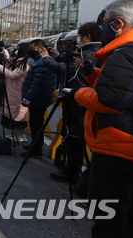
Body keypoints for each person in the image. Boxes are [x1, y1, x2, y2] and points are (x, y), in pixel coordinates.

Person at [74, 0, 133, 237]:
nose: (101, 29)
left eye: (105, 24)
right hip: (130, 144)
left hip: (119, 148)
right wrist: (93, 73)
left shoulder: (126, 52)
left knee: (109, 219)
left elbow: (110, 99)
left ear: (118, 25)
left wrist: (80, 93)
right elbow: (127, 88)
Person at [38, 22, 102, 184]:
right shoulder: (86, 51)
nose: (78, 40)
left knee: (75, 136)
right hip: (74, 96)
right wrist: (58, 56)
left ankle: (72, 172)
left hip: (79, 99)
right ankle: (69, 166)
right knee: (70, 132)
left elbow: (63, 70)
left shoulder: (89, 53)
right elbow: (69, 66)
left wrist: (45, 58)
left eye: (80, 37)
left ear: (88, 37)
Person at [20, 39, 56, 158]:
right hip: (39, 98)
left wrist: (27, 98)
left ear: (40, 48)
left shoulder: (43, 63)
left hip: (38, 99)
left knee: (36, 125)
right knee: (35, 125)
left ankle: (36, 150)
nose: (30, 51)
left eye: (32, 49)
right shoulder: (40, 61)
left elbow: (37, 84)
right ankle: (35, 146)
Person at [0, 43, 31, 142]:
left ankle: (21, 136)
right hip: (12, 91)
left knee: (18, 114)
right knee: (11, 113)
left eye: (18, 49)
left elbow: (13, 75)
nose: (16, 51)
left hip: (18, 93)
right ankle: (16, 134)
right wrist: (6, 59)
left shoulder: (26, 63)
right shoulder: (19, 61)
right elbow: (9, 69)